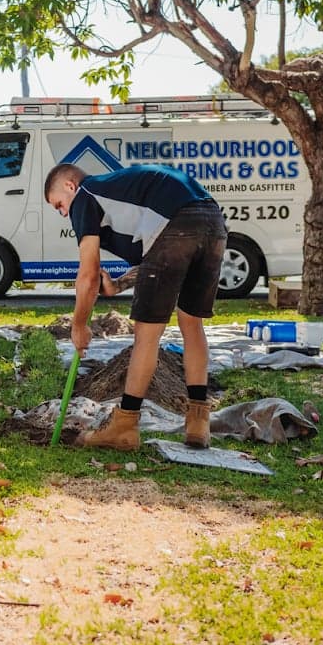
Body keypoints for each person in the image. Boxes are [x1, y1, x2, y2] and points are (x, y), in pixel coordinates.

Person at [43, 162, 228, 450]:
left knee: (146, 335)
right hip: (213, 222)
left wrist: (79, 325)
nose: (64, 213)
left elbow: (88, 275)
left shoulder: (85, 196)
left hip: (178, 224)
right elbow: (158, 256)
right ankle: (198, 424)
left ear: (70, 186)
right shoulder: (123, 191)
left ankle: (124, 427)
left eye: (59, 205)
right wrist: (117, 286)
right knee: (192, 323)